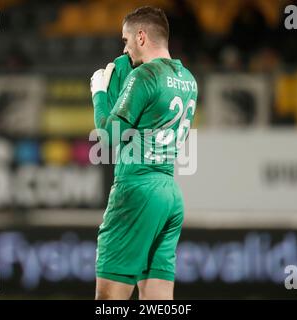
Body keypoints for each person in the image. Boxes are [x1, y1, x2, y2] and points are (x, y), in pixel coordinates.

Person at [90, 6, 198, 300]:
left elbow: (108, 136)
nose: (125, 50)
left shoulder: (146, 75)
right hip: (169, 194)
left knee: (109, 300)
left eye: (126, 41)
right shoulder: (188, 79)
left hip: (137, 190)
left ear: (141, 36)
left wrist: (99, 94)